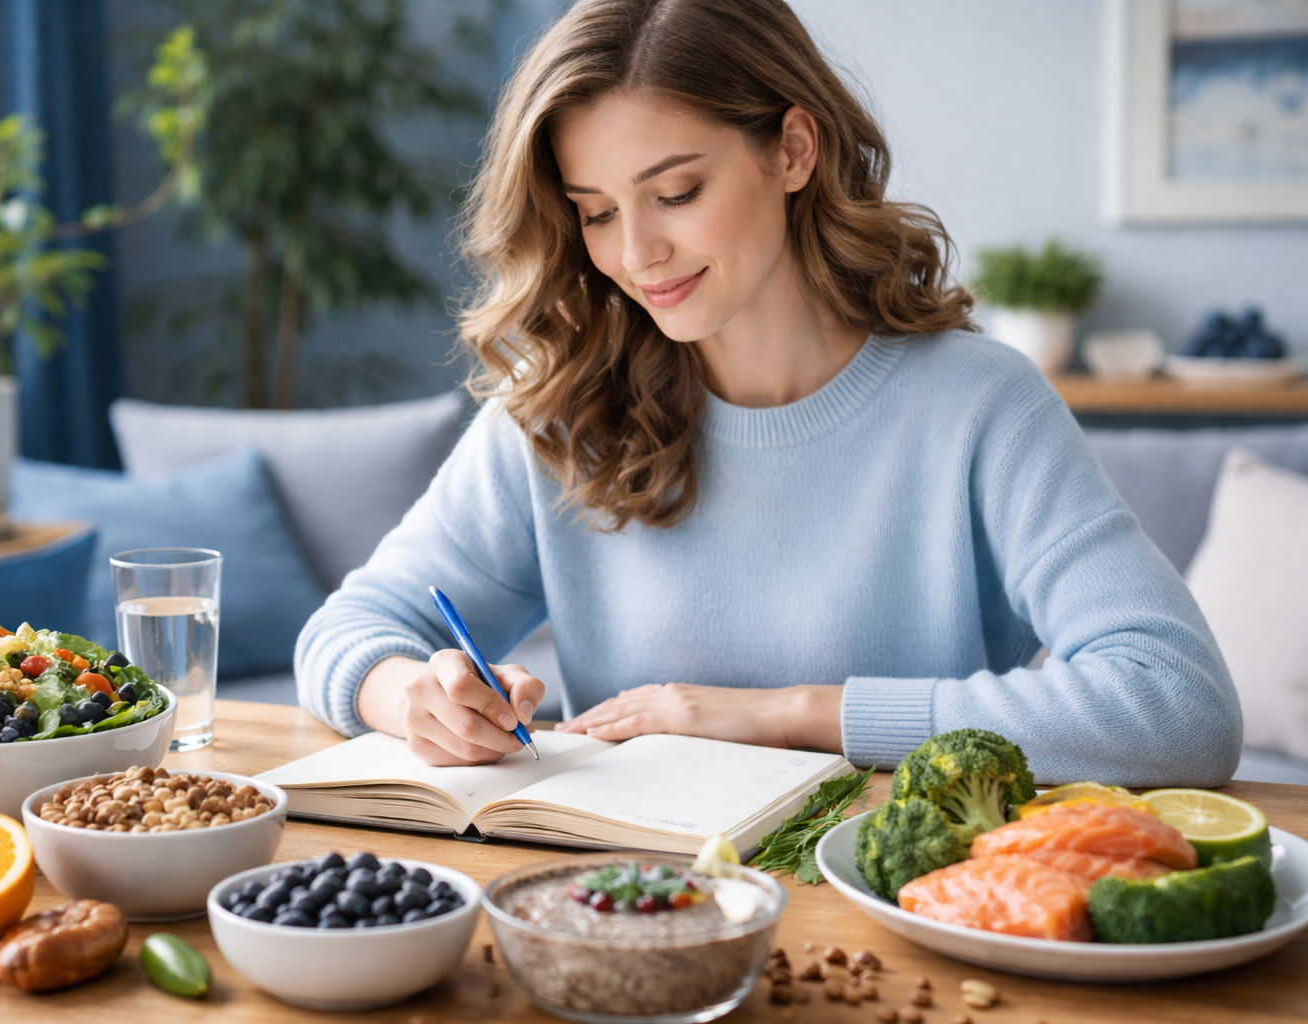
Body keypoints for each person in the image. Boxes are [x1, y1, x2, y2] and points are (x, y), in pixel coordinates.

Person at [295, 0, 1240, 785]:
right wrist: (415, 696)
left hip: (891, 907)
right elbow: (347, 634)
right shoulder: (563, 409)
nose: (637, 253)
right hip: (629, 906)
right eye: (596, 213)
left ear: (792, 149)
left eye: (676, 193)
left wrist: (783, 715)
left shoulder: (979, 406)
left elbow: (1178, 703)